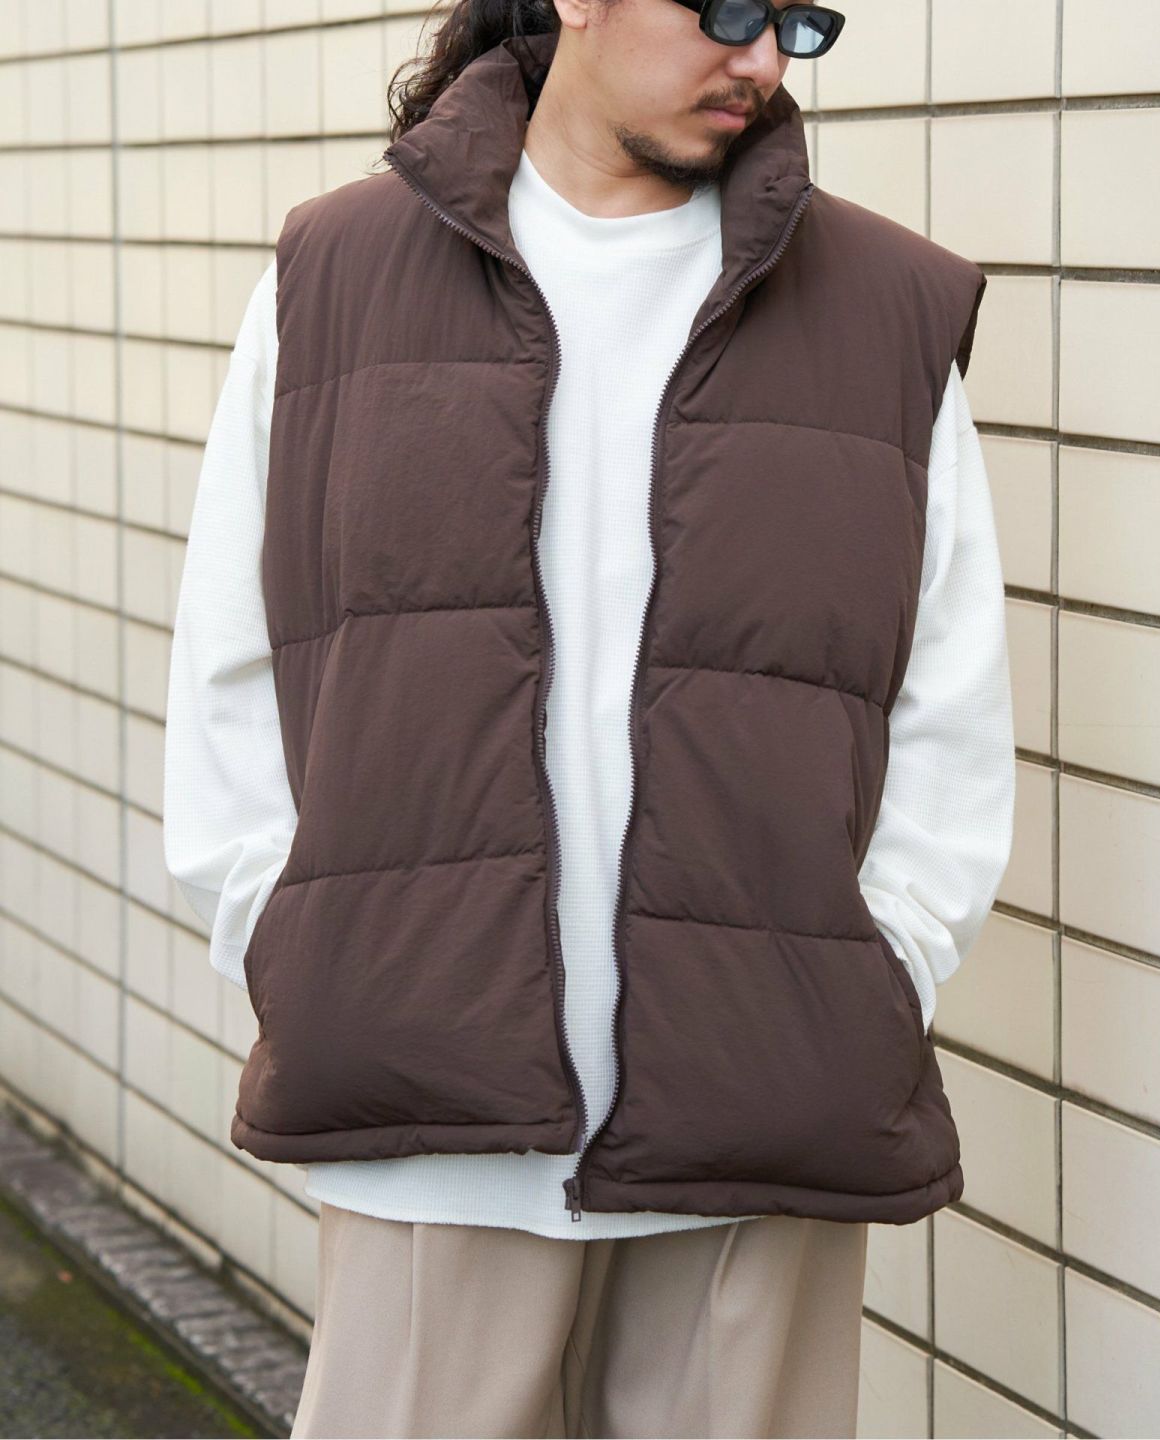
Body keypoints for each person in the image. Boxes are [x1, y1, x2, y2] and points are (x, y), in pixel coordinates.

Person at [162, 1, 1015, 1435]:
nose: (764, 61)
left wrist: (879, 968)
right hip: (428, 1113)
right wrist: (291, 942)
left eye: (798, 20)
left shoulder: (884, 306)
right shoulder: (337, 276)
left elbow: (949, 696)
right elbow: (230, 661)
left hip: (759, 1105)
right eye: (725, 10)